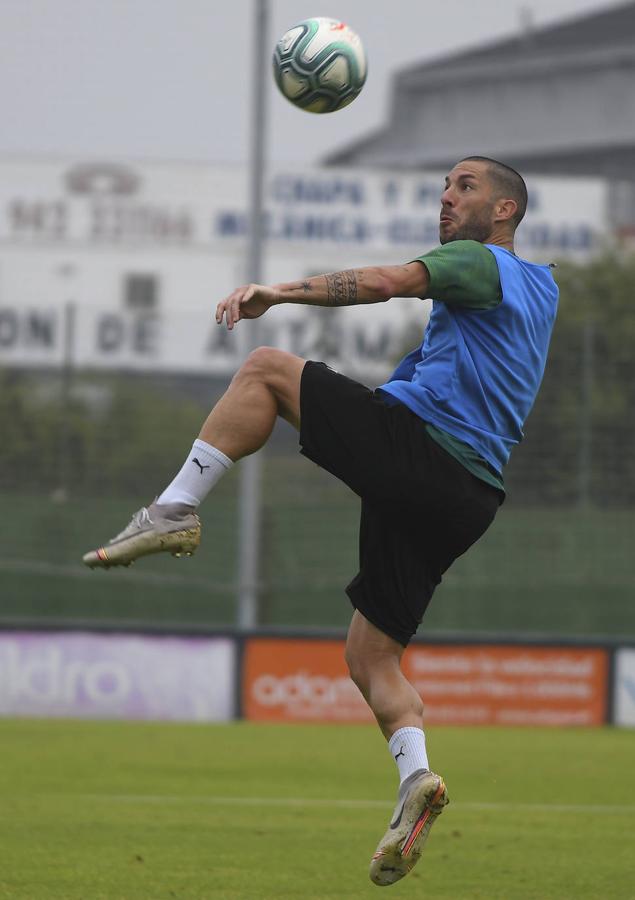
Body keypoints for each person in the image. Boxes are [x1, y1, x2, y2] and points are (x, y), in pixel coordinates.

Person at [83, 156, 559, 886]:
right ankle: (415, 782)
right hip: (469, 498)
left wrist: (279, 291)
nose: (446, 197)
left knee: (267, 369)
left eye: (464, 187)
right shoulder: (539, 292)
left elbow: (384, 282)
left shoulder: (477, 261)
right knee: (370, 658)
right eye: (443, 185)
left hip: (426, 458)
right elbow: (437, 373)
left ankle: (173, 510)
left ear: (504, 211)